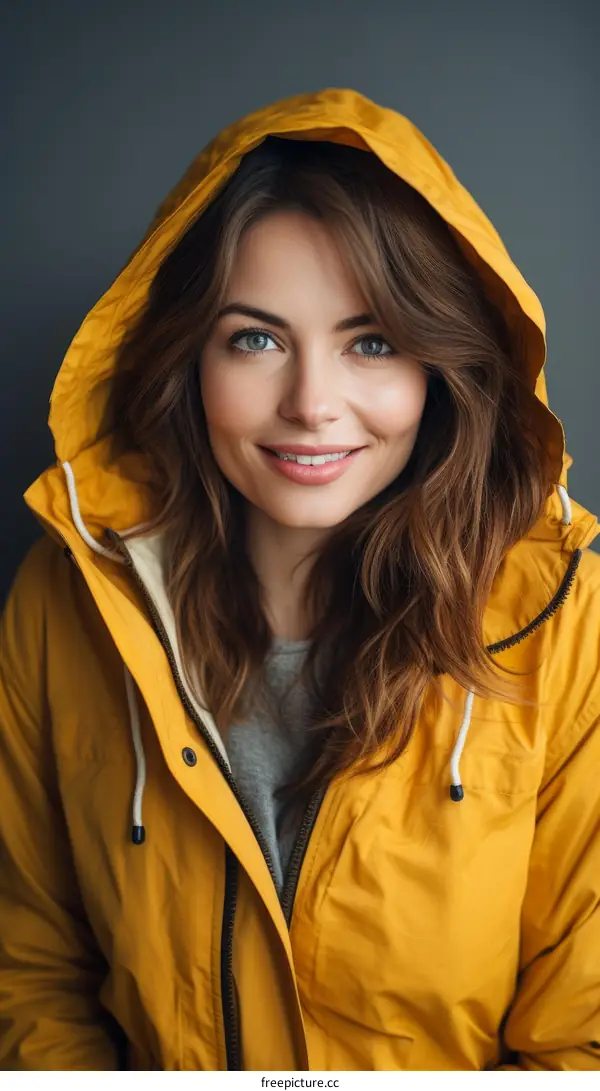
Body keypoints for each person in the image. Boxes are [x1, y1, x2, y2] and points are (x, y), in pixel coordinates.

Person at [0, 86, 599, 1073]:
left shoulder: (567, 622)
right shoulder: (65, 601)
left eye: (372, 340)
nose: (313, 403)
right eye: (257, 338)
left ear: (439, 367)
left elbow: (582, 1036)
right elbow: (33, 968)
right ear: (187, 360)